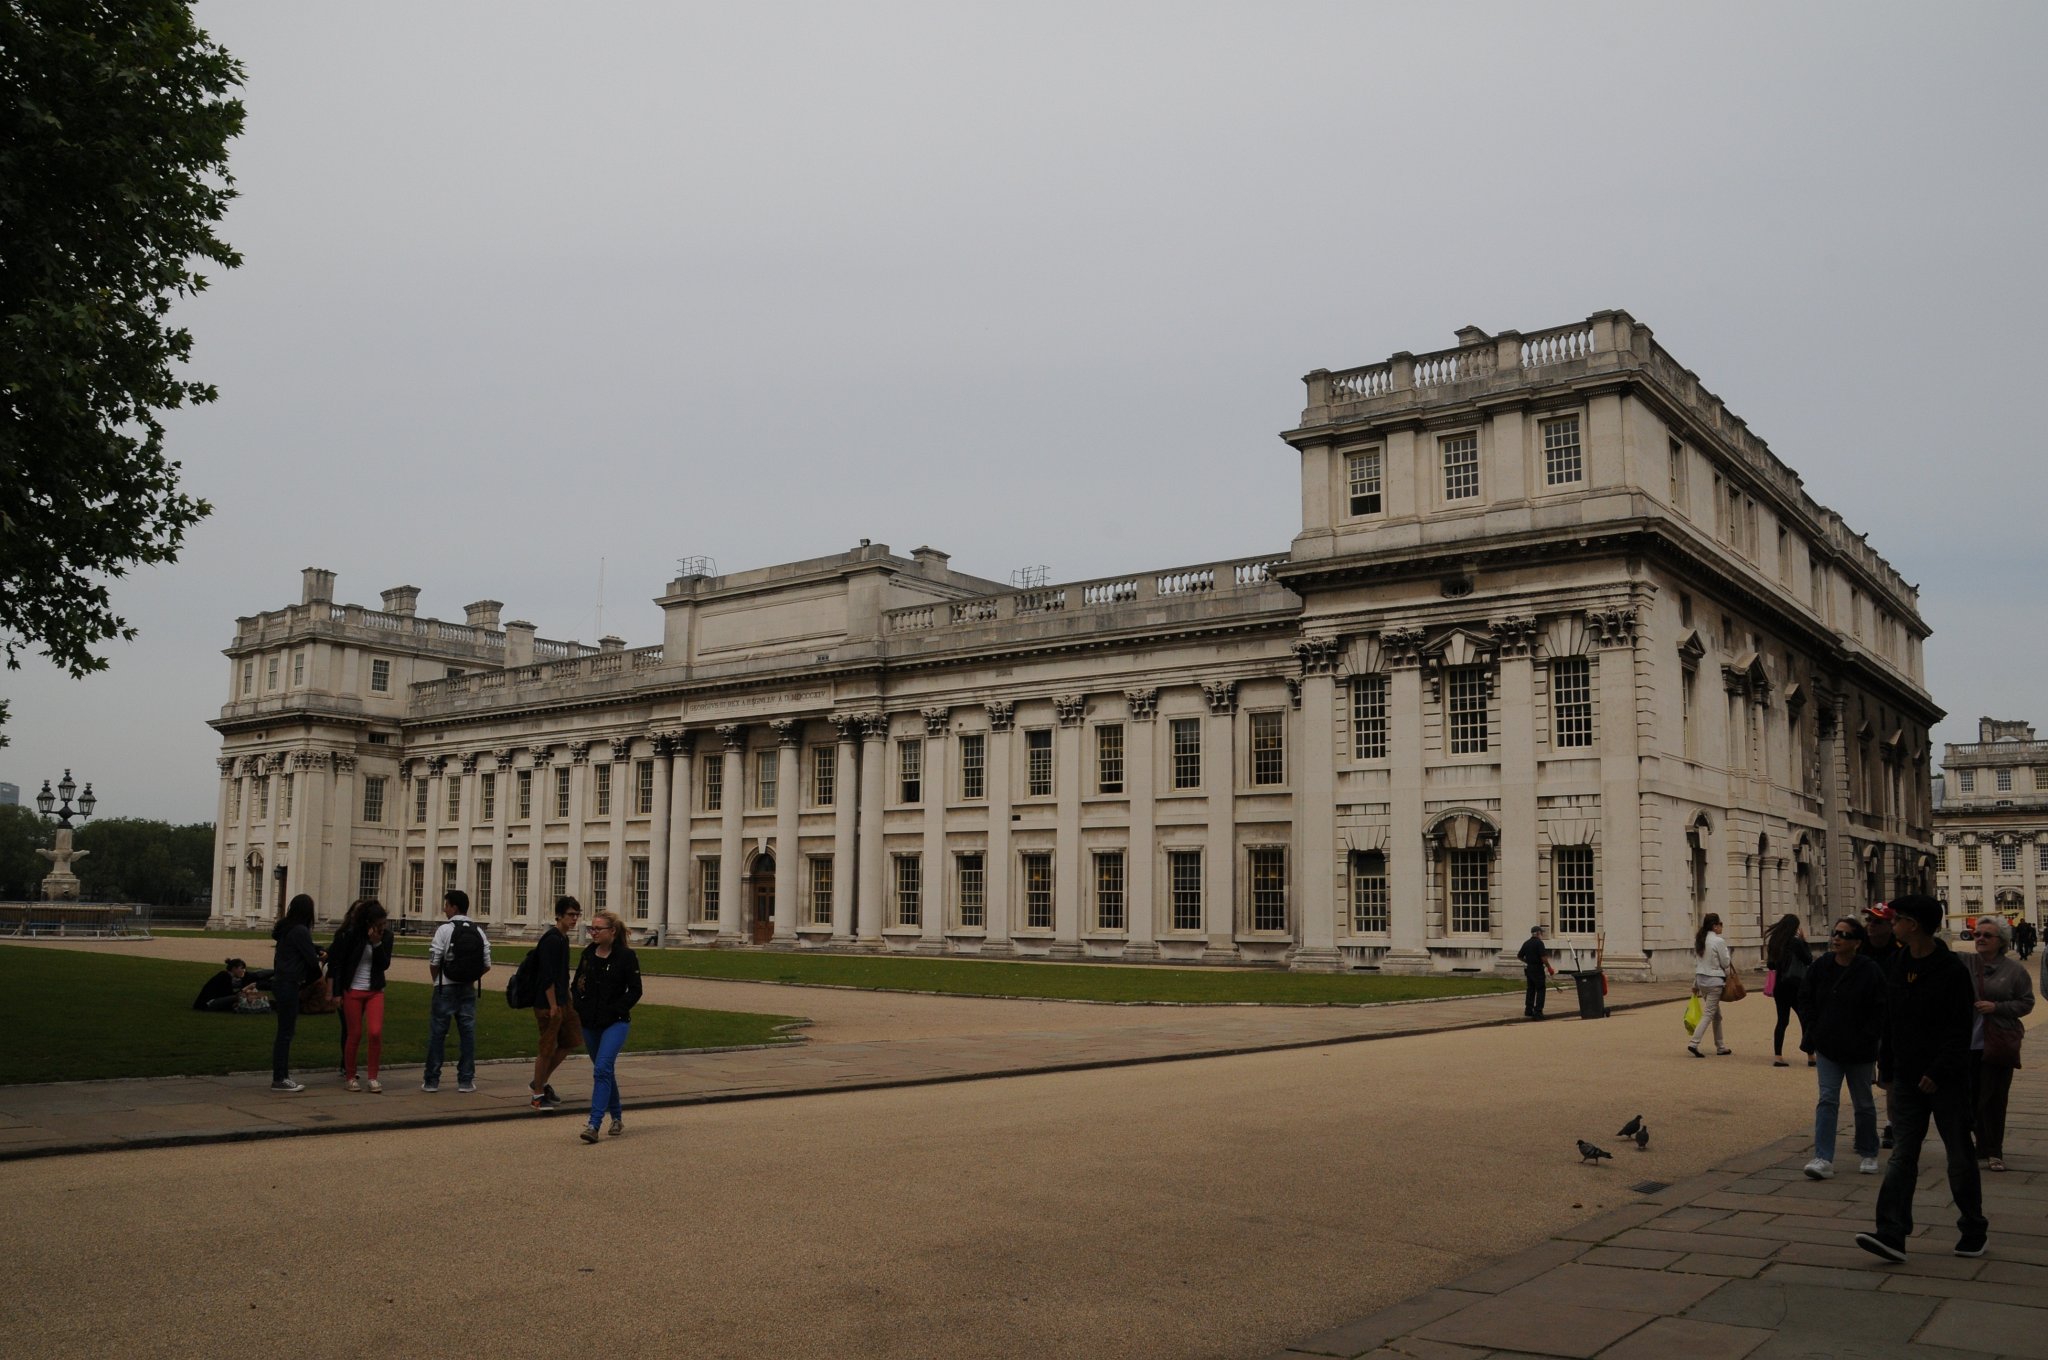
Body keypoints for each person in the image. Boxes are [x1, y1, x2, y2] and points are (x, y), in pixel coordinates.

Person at [1854, 894, 1988, 1262]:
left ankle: (1974, 1227)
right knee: (1902, 1156)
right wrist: (1888, 1069)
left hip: (1947, 1082)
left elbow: (1959, 1030)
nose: (1891, 923)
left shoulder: (1950, 970)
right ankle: (1892, 1233)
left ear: (1913, 925)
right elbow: (1891, 1021)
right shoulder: (1896, 963)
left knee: (1959, 1155)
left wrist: (1938, 1071)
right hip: (1909, 1080)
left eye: (1896, 919)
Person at [1799, 917, 1886, 1180]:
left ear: (1857, 943)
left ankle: (1868, 1151)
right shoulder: (1821, 966)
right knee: (1827, 1099)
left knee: (1863, 1102)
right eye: (1835, 933)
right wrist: (1814, 1028)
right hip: (1828, 1046)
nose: (1836, 938)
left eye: (1844, 935)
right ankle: (1823, 1157)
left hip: (1860, 1048)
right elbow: (1806, 997)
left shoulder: (1869, 969)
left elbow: (1881, 1007)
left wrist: (1870, 1035)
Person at [1965, 914, 2034, 1173]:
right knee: (1970, 1098)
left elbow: (2027, 1003)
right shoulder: (1965, 963)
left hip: (1998, 1042)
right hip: (1966, 1043)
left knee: (1993, 1098)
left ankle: (1993, 1150)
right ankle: (1977, 1143)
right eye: (1977, 935)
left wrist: (1997, 1007)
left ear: (2001, 941)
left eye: (1987, 935)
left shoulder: (2014, 971)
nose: (1980, 939)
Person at [572, 909, 642, 1144]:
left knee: (601, 1069)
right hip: (590, 1022)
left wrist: (616, 1009)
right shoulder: (588, 954)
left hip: (615, 1022)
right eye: (591, 928)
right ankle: (618, 1117)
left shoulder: (626, 957)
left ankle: (594, 1124)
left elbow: (635, 990)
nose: (593, 932)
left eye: (597, 929)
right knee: (605, 1071)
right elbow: (576, 984)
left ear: (612, 931)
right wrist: (580, 1006)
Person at [423, 888, 491, 1094]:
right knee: (467, 1035)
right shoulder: (478, 930)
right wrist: (470, 977)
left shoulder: (444, 930)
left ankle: (432, 1080)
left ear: (454, 907)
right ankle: (466, 1080)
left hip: (445, 987)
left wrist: (437, 980)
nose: (444, 910)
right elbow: (487, 963)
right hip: (468, 988)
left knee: (438, 1034)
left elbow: (434, 960)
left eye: (446, 905)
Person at [326, 898, 394, 1093]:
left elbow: (384, 965)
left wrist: (377, 944)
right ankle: (350, 1076)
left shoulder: (386, 937)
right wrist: (337, 992)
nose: (383, 926)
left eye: (384, 923)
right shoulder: (351, 935)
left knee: (375, 1032)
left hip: (374, 991)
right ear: (369, 922)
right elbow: (338, 964)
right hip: (353, 990)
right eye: (379, 923)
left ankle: (373, 1077)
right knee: (353, 1034)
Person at [529, 896, 585, 1111]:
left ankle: (539, 1082)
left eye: (577, 915)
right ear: (559, 915)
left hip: (563, 1000)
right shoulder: (552, 939)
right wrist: (553, 1005)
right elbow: (546, 976)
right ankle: (537, 1095)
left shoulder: (563, 938)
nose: (574, 919)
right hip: (548, 1003)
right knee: (547, 1048)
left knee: (571, 1040)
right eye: (571, 915)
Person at [268, 894, 324, 1093]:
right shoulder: (300, 930)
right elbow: (310, 960)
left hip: (282, 981)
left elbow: (304, 949)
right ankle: (280, 1078)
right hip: (289, 983)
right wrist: (319, 965)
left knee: (284, 1032)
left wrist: (316, 950)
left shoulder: (287, 929)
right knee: (286, 1033)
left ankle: (281, 1075)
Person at [1863, 903, 1906, 1148]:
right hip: (1865, 1022)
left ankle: (1892, 1123)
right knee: (1861, 1078)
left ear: (1891, 925)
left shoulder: (1900, 951)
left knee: (1890, 1078)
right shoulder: (1859, 948)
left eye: (1877, 921)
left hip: (1891, 1022)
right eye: (1869, 920)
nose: (1871, 926)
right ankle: (1866, 1123)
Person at [1766, 914, 1814, 1067]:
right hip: (1796, 985)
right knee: (1805, 1019)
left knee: (1782, 1021)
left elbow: (1771, 965)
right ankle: (1810, 1055)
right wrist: (1804, 941)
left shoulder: (1774, 942)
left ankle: (1778, 1056)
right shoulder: (1796, 943)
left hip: (1780, 986)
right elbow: (1808, 959)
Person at [1688, 913, 1733, 1057]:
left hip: (1701, 980)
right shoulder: (1718, 941)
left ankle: (1720, 1046)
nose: (1721, 927)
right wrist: (1727, 952)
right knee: (1708, 1013)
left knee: (1716, 1015)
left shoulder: (1700, 939)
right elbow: (1725, 963)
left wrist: (1695, 984)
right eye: (1720, 924)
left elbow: (1699, 963)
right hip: (1714, 981)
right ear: (1715, 926)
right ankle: (1694, 1043)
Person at [191, 957, 274, 1012]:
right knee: (241, 997)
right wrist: (246, 988)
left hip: (210, 1003)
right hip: (207, 1004)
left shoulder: (225, 976)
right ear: (234, 968)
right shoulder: (224, 976)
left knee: (243, 997)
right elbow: (229, 995)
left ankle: (269, 1004)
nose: (244, 971)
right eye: (242, 968)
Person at [1517, 924, 1555, 1020]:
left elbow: (1519, 956)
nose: (1541, 934)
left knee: (1530, 989)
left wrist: (1528, 961)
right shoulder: (1539, 943)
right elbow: (1543, 958)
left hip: (1529, 969)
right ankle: (1538, 1012)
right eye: (1541, 933)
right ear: (1538, 933)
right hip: (1538, 969)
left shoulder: (1526, 943)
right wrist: (1549, 968)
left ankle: (1528, 1010)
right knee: (1541, 989)